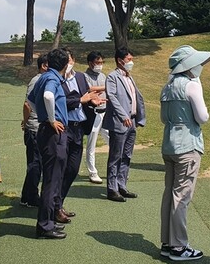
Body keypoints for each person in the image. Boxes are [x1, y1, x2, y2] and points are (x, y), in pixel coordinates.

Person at [159, 45, 210, 262]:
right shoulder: (192, 85)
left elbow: (164, 119)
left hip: (169, 144)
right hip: (188, 145)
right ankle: (179, 246)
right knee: (181, 196)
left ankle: (167, 242)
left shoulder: (167, 86)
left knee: (169, 194)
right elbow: (203, 117)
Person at [28, 48, 70, 239]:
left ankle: (49, 222)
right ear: (65, 64)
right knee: (52, 180)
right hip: (53, 133)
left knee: (53, 178)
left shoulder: (44, 77)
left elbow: (31, 101)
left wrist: (43, 117)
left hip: (47, 131)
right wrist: (51, 119)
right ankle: (45, 226)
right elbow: (47, 96)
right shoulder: (52, 79)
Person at [60, 49, 100, 218]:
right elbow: (58, 103)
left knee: (72, 169)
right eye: (64, 61)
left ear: (74, 60)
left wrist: (92, 101)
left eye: (69, 60)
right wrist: (79, 100)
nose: (67, 64)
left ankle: (58, 202)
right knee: (59, 169)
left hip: (79, 128)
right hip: (63, 127)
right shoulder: (55, 80)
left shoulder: (81, 77)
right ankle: (55, 207)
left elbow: (86, 98)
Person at [103, 47, 146, 202]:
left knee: (127, 155)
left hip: (132, 121)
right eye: (128, 60)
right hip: (120, 122)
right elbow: (112, 97)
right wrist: (123, 115)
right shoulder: (113, 77)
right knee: (116, 155)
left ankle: (122, 184)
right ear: (120, 61)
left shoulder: (129, 77)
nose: (131, 62)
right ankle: (112, 188)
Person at [20, 54, 47, 207]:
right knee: (36, 164)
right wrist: (25, 121)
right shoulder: (37, 81)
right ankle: (31, 197)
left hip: (36, 127)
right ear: (44, 66)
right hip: (34, 127)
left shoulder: (43, 80)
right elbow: (27, 105)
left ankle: (26, 196)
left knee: (35, 163)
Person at [83, 51, 108, 184]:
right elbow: (89, 89)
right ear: (90, 63)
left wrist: (99, 89)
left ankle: (115, 169)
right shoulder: (84, 76)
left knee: (112, 140)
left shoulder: (103, 75)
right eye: (98, 62)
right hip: (94, 113)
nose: (100, 65)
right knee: (91, 144)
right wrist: (103, 88)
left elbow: (97, 90)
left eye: (101, 62)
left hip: (105, 112)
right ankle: (93, 172)